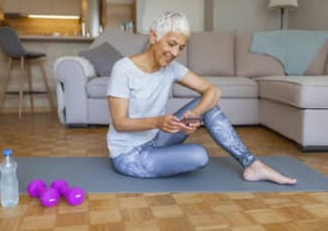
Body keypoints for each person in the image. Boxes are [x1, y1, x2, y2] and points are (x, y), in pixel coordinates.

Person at [106, 12, 297, 184]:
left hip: (156, 139)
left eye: (180, 48)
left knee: (208, 106)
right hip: (129, 155)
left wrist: (195, 114)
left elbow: (213, 91)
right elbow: (120, 123)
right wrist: (157, 122)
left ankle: (252, 164)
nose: (174, 53)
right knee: (199, 156)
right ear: (154, 36)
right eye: (171, 44)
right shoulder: (123, 69)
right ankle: (161, 157)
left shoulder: (172, 68)